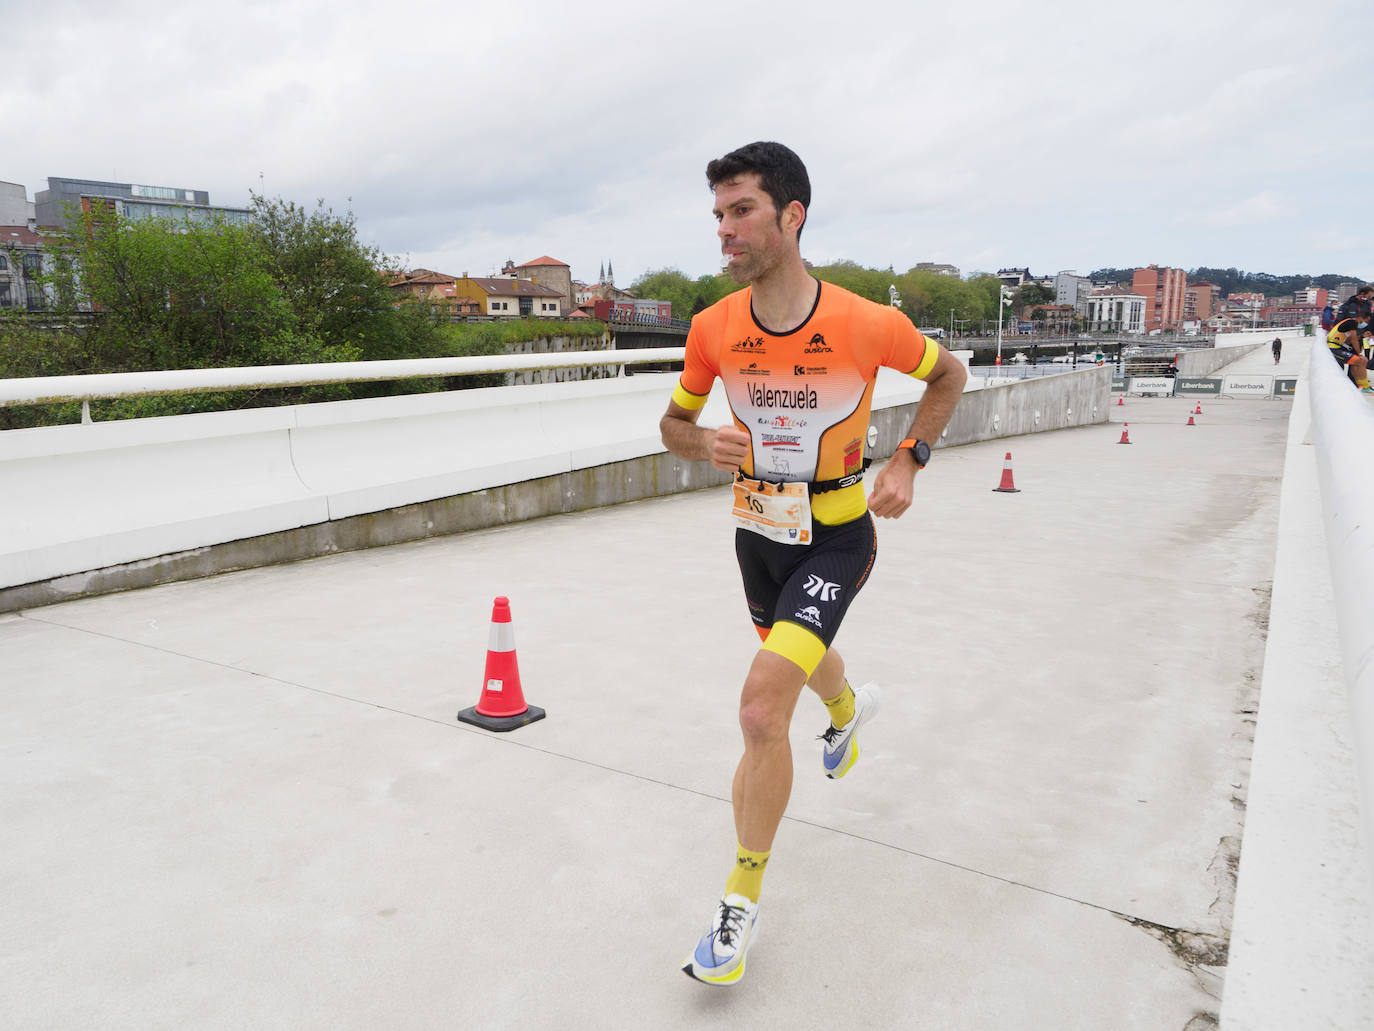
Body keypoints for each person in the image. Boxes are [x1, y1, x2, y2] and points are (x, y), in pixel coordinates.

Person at [659, 141, 967, 986]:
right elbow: (672, 426)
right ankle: (848, 705)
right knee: (793, 653)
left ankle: (738, 904)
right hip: (757, 533)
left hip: (837, 533)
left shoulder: (867, 321)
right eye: (718, 214)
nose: (725, 230)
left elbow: (949, 375)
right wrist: (702, 442)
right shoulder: (712, 329)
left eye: (742, 210)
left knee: (762, 709)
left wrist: (910, 457)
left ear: (791, 216)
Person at [1326, 286, 1374, 391]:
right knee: (1345, 363)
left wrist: (1367, 334)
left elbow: (1369, 320)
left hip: (1358, 337)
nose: (1369, 299)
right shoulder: (1347, 305)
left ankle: (1355, 384)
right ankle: (1341, 384)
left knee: (1359, 361)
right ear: (1362, 294)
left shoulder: (1367, 305)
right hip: (1345, 339)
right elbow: (1339, 323)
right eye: (1368, 296)